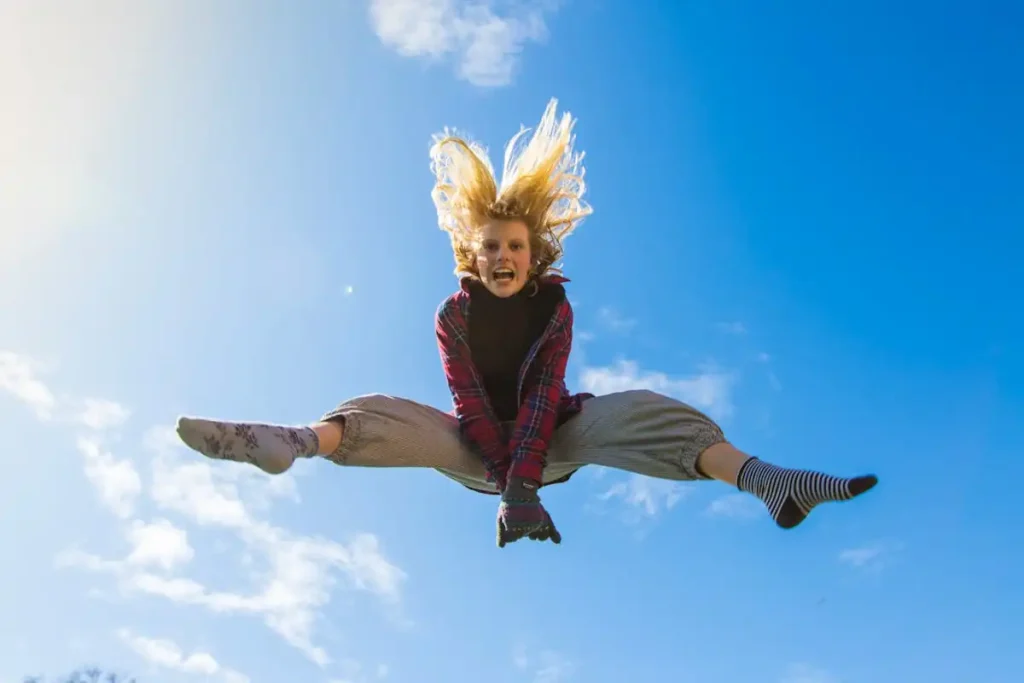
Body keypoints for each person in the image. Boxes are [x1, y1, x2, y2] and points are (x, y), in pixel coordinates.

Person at [175, 99, 877, 548]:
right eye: (491, 248)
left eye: (515, 246)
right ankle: (293, 440)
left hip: (553, 448)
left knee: (636, 409)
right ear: (470, 257)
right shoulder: (453, 317)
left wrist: (526, 487)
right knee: (389, 412)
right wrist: (504, 482)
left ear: (533, 253)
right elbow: (470, 403)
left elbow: (544, 398)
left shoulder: (553, 309)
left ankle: (767, 481)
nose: (503, 257)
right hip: (477, 451)